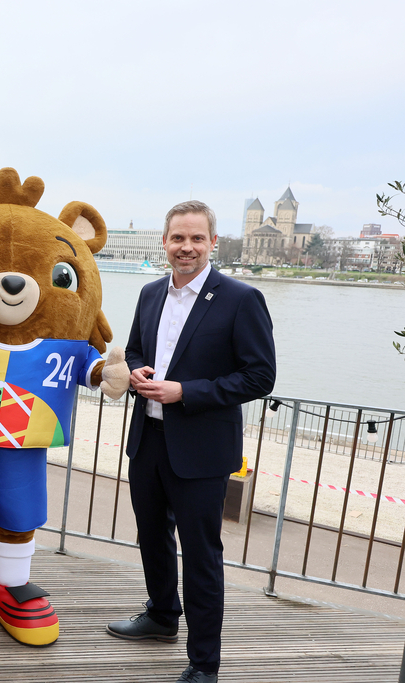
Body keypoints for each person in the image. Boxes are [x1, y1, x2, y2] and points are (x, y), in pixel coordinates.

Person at [105, 201, 276, 683]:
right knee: (151, 537)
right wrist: (135, 368)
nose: (187, 247)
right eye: (178, 238)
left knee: (202, 556)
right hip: (148, 440)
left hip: (201, 450)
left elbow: (260, 376)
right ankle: (162, 616)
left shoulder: (241, 299)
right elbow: (138, 347)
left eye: (197, 239)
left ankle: (205, 663)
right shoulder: (149, 293)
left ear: (212, 243)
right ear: (165, 241)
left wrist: (187, 393)